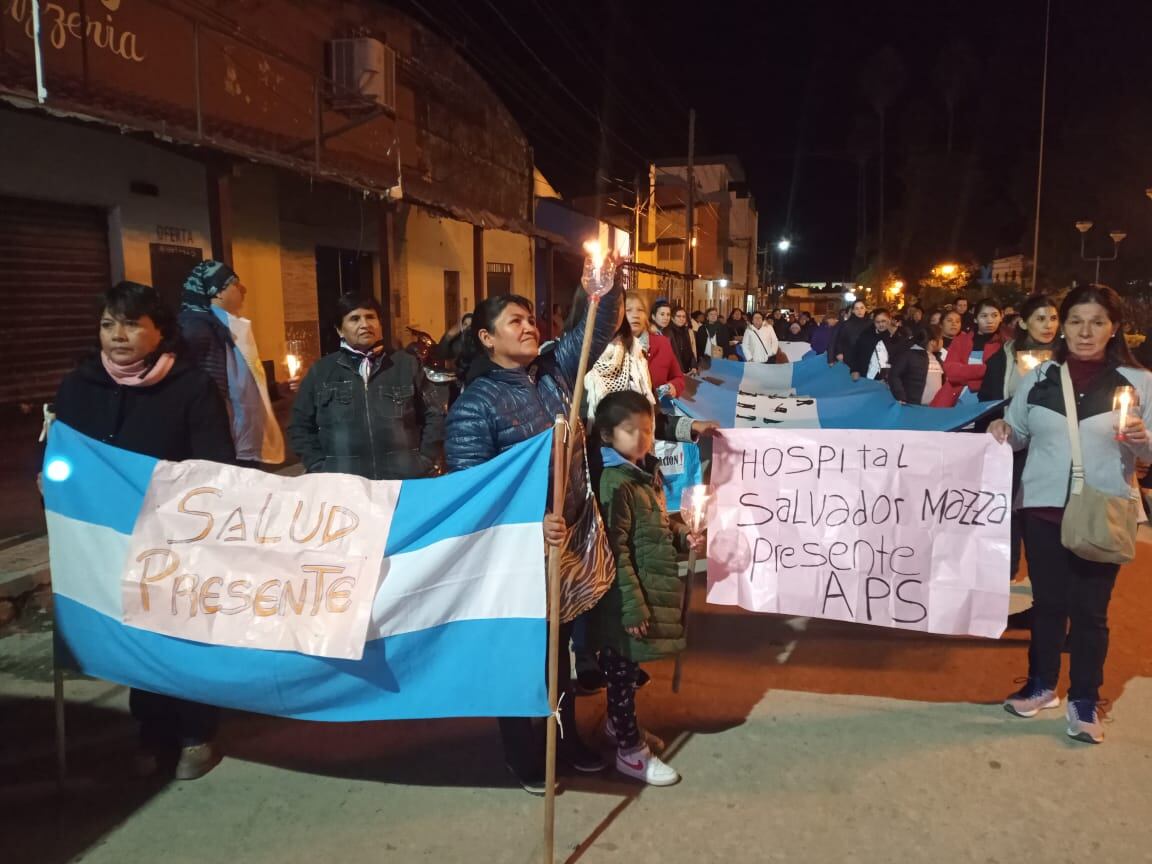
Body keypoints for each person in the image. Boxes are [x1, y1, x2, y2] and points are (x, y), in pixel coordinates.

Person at [54, 281, 234, 780]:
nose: (118, 335)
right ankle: (152, 731)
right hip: (105, 536)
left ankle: (197, 731)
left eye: (132, 324)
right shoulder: (78, 386)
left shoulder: (191, 387)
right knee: (129, 631)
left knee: (178, 632)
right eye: (109, 323)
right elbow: (58, 455)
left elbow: (215, 467)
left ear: (160, 331)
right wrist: (53, 483)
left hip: (175, 536)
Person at [445, 285, 623, 792]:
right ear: (486, 338)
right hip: (517, 556)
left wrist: (602, 281)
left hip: (565, 547)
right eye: (514, 322)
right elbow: (472, 496)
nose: (528, 327)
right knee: (519, 654)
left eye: (530, 319)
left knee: (558, 654)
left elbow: (597, 325)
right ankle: (523, 754)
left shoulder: (553, 374)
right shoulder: (474, 407)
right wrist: (528, 524)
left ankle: (562, 742)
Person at [989, 284, 1152, 744]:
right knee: (1047, 607)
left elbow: (1151, 448)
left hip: (1102, 511)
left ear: (1114, 328)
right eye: (1076, 321)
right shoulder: (1040, 377)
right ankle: (1041, 686)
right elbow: (1018, 432)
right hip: (1042, 511)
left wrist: (1141, 441)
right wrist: (1002, 427)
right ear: (1064, 325)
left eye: (1097, 322)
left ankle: (1084, 698)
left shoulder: (1138, 383)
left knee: (1090, 612)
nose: (1085, 332)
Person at [590, 390, 703, 786]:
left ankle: (620, 728)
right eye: (630, 430)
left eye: (649, 429)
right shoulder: (615, 483)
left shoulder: (644, 474)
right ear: (607, 435)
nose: (642, 438)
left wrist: (680, 536)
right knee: (621, 675)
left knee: (628, 672)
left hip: (642, 594)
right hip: (624, 601)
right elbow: (615, 549)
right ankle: (630, 752)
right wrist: (631, 607)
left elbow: (651, 531)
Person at [288, 295, 444, 480]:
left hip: (402, 481)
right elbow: (299, 426)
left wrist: (424, 459)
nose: (365, 324)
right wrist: (319, 467)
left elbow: (435, 414)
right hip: (344, 485)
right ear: (340, 330)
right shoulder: (321, 372)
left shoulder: (406, 365)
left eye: (370, 317)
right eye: (354, 319)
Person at [979, 295, 1060, 593]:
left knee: (1044, 523)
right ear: (1024, 322)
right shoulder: (1004, 357)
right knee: (1008, 517)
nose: (1048, 325)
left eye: (1053, 318)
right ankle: (1005, 585)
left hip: (1052, 453)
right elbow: (986, 403)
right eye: (1040, 318)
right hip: (1011, 448)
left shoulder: (1067, 357)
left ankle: (1046, 594)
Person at [179, 260, 285, 466]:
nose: (243, 289)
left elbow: (240, 386)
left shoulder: (223, 326)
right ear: (217, 292)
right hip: (223, 446)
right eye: (235, 284)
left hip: (240, 442)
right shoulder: (198, 330)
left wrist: (274, 390)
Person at [586, 291, 684, 413]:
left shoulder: (662, 343)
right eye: (629, 310)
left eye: (640, 310)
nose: (635, 315)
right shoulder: (607, 349)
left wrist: (671, 387)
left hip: (655, 417)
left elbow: (678, 378)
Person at [932, 299, 1004, 407]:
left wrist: (966, 374)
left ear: (1001, 317)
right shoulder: (961, 340)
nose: (990, 320)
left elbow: (1001, 378)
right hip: (954, 402)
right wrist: (986, 369)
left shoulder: (1004, 345)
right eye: (984, 316)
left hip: (989, 405)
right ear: (975, 319)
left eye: (994, 315)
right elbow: (952, 372)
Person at [887, 324, 945, 405]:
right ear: (933, 342)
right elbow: (894, 375)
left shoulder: (936, 358)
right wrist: (900, 396)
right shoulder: (910, 355)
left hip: (932, 409)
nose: (943, 341)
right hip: (913, 407)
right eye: (941, 338)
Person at [849, 308, 893, 381]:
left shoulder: (896, 336)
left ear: (889, 320)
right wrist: (854, 369)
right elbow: (856, 352)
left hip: (890, 378)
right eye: (877, 322)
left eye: (883, 321)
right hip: (868, 375)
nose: (881, 324)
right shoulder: (866, 335)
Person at [829, 299, 870, 367]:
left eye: (862, 308)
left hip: (867, 358)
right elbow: (839, 340)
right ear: (853, 311)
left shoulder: (871, 323)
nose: (860, 311)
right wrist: (839, 352)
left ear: (866, 309)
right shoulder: (846, 324)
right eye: (856, 308)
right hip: (850, 357)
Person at [667, 306, 698, 375]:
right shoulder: (668, 332)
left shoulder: (685, 331)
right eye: (678, 316)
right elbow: (671, 355)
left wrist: (693, 366)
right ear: (672, 318)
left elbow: (690, 350)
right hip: (674, 371)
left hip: (686, 370)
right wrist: (678, 371)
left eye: (684, 317)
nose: (681, 319)